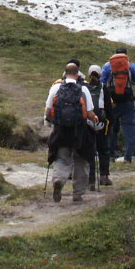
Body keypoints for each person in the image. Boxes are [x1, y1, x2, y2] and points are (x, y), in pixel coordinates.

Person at [44, 59, 97, 203]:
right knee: (81, 160)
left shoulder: (55, 88)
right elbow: (90, 113)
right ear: (78, 74)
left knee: (62, 158)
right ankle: (78, 194)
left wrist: (53, 122)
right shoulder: (84, 89)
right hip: (80, 132)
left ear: (65, 73)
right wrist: (96, 120)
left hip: (61, 130)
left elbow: (48, 112)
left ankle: (58, 181)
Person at [101, 47, 135, 163]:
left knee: (111, 127)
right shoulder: (132, 66)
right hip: (127, 102)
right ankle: (128, 157)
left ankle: (110, 155)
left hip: (112, 103)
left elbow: (101, 84)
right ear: (126, 55)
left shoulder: (107, 66)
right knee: (129, 128)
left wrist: (103, 100)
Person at [85, 64, 112, 188]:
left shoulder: (84, 87)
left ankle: (90, 180)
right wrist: (110, 122)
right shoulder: (103, 88)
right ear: (100, 75)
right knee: (103, 149)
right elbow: (108, 107)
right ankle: (103, 177)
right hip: (101, 122)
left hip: (88, 122)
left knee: (90, 150)